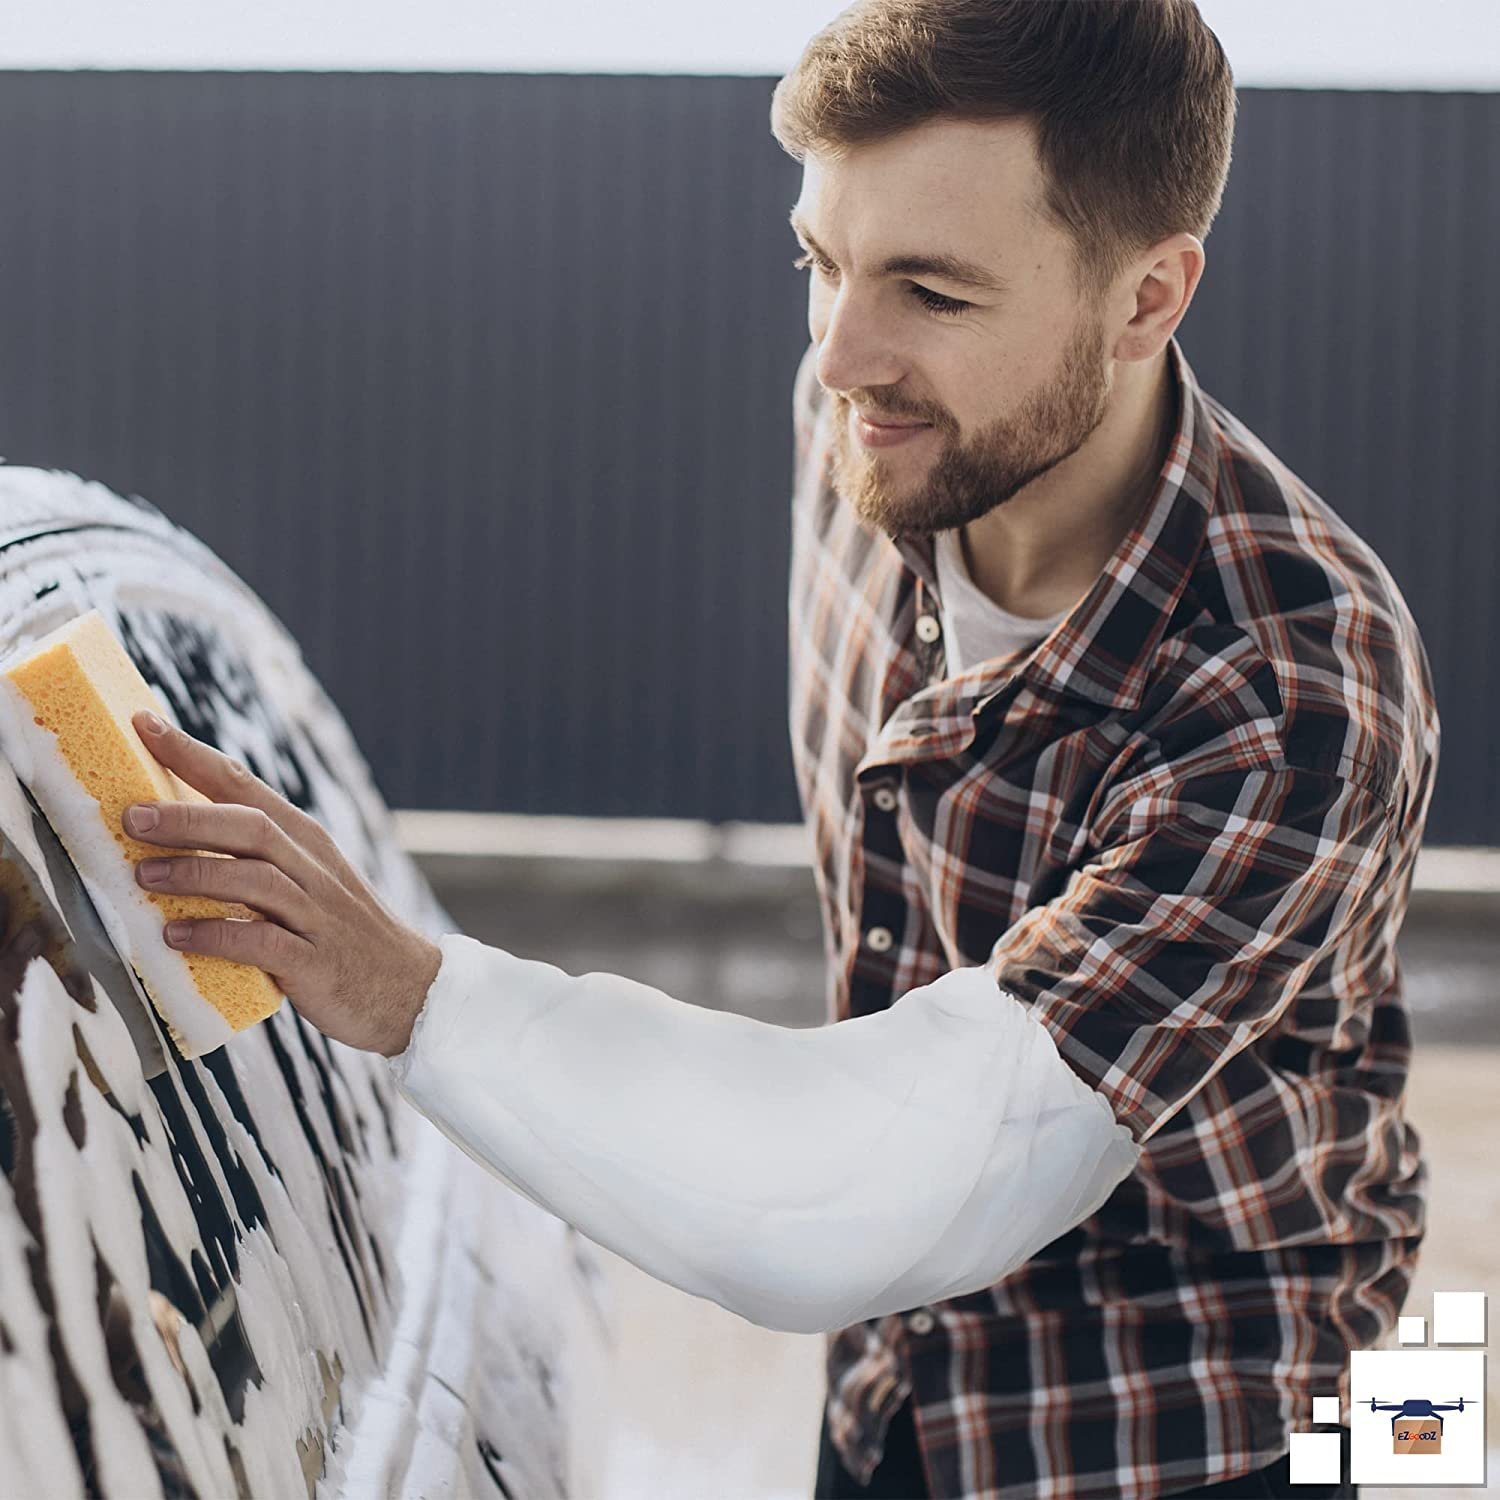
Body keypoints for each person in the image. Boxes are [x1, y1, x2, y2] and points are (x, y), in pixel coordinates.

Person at [113, 2, 1434, 1496]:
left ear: (1147, 299)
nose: (842, 351)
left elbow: (876, 1184)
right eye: (820, 260)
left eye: (932, 291)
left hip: (1221, 1420)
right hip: (894, 1378)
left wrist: (418, 999)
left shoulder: (1296, 686)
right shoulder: (884, 427)